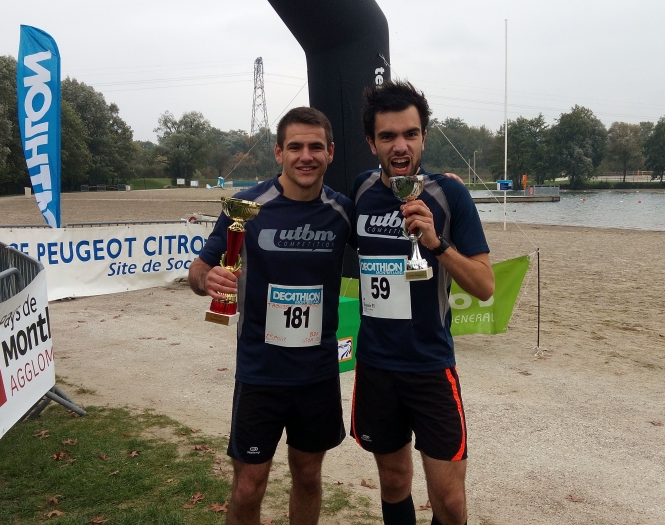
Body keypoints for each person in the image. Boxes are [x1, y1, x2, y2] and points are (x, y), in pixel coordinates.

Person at [188, 107, 353, 525]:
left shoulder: (342, 212)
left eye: (316, 147)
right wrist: (210, 280)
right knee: (247, 487)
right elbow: (198, 270)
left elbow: (391, 220)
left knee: (309, 476)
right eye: (295, 146)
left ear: (330, 153)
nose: (306, 156)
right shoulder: (246, 207)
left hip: (317, 373)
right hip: (261, 372)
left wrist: (434, 189)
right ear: (279, 152)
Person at [349, 80, 495, 525]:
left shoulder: (450, 195)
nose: (400, 146)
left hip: (431, 367)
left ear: (424, 137)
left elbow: (485, 286)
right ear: (371, 141)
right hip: (376, 367)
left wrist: (437, 244)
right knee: (393, 482)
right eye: (389, 136)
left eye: (410, 134)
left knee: (449, 501)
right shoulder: (359, 191)